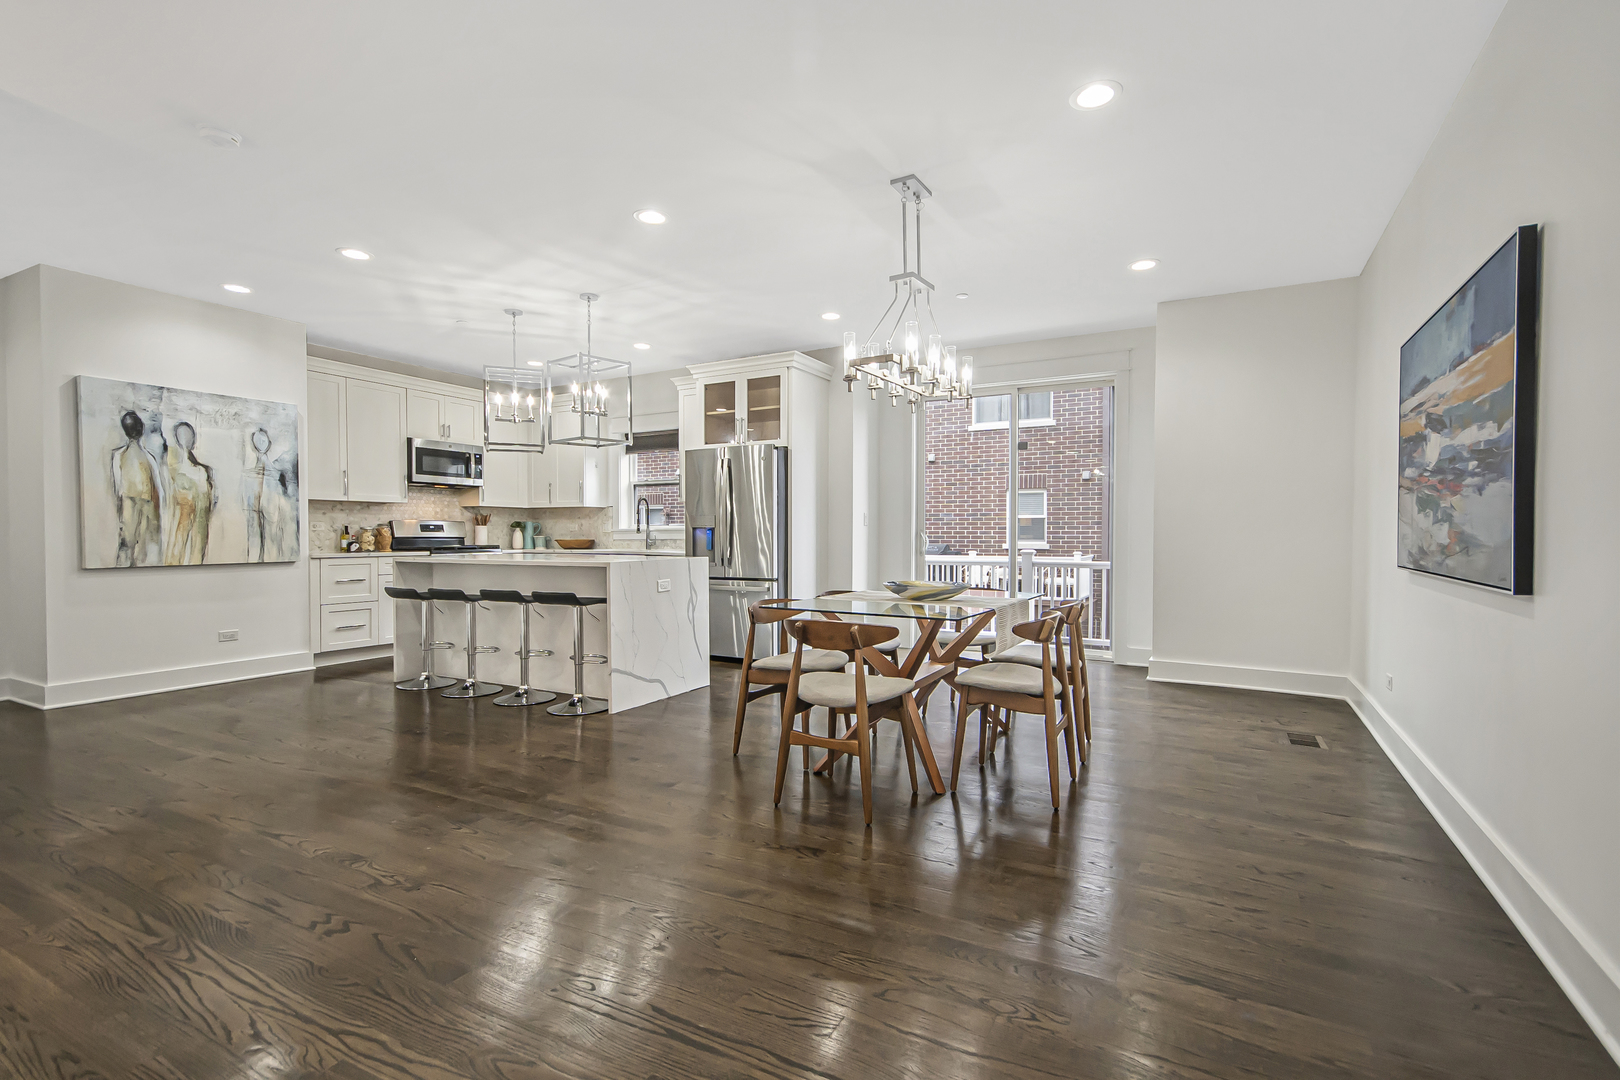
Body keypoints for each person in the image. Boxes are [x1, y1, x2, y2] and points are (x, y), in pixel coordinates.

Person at [111, 410, 162, 566]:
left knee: (140, 543)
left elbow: (158, 486)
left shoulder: (146, 456)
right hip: (132, 501)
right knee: (129, 540)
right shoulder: (121, 455)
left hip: (145, 503)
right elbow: (118, 485)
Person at [163, 421, 215, 564]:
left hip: (201, 514)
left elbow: (210, 500)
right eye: (182, 435)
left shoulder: (203, 470)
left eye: (189, 435)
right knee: (179, 542)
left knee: (198, 545)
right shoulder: (173, 467)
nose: (186, 438)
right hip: (183, 514)